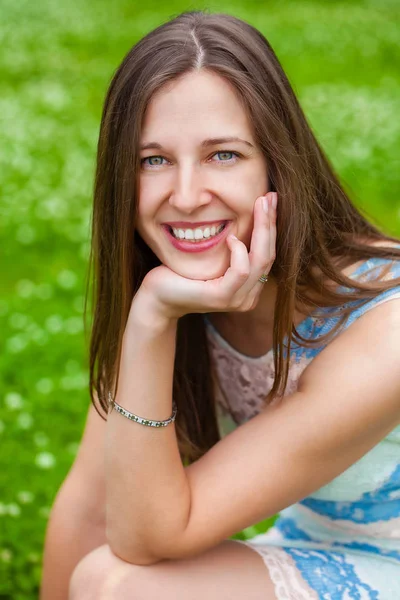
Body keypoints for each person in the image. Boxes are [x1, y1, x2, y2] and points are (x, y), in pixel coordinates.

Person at [40, 10, 400, 600]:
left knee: (125, 585)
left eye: (223, 155)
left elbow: (152, 535)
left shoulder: (387, 327)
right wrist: (152, 319)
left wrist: (153, 317)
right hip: (312, 544)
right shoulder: (180, 293)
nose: (185, 196)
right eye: (152, 160)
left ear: (278, 164)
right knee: (102, 576)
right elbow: (89, 511)